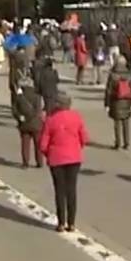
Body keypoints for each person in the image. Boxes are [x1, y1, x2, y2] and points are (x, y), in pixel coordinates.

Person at [39, 93, 88, 232]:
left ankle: (61, 222)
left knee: (59, 190)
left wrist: (48, 153)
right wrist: (77, 148)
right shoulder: (76, 117)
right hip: (74, 157)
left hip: (56, 159)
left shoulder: (51, 120)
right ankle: (71, 223)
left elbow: (43, 144)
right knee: (71, 190)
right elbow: (85, 137)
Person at [12, 76, 44, 168]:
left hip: (24, 123)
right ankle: (39, 162)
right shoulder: (37, 96)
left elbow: (14, 110)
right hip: (36, 123)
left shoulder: (19, 97)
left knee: (25, 144)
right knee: (38, 144)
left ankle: (25, 162)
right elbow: (38, 110)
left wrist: (20, 117)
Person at [104, 56, 131, 150]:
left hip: (115, 101)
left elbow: (108, 90)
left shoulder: (113, 74)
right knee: (126, 122)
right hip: (126, 101)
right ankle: (127, 142)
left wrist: (107, 104)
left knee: (116, 123)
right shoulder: (129, 74)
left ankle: (118, 143)